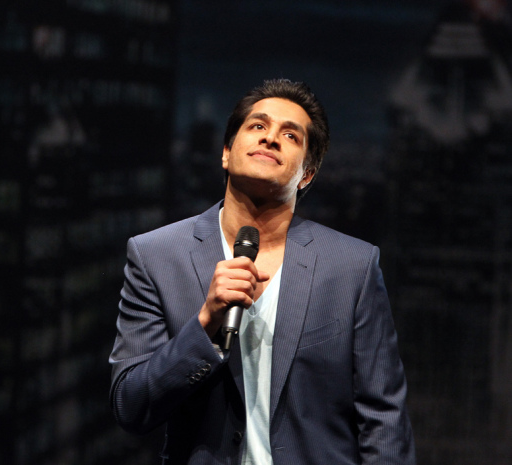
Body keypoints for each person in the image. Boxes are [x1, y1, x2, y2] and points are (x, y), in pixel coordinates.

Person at [109, 79, 415, 465]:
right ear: (226, 152)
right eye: (257, 125)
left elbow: (384, 419)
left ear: (307, 174)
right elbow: (130, 406)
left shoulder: (352, 266)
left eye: (290, 135)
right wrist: (204, 326)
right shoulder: (156, 255)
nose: (270, 138)